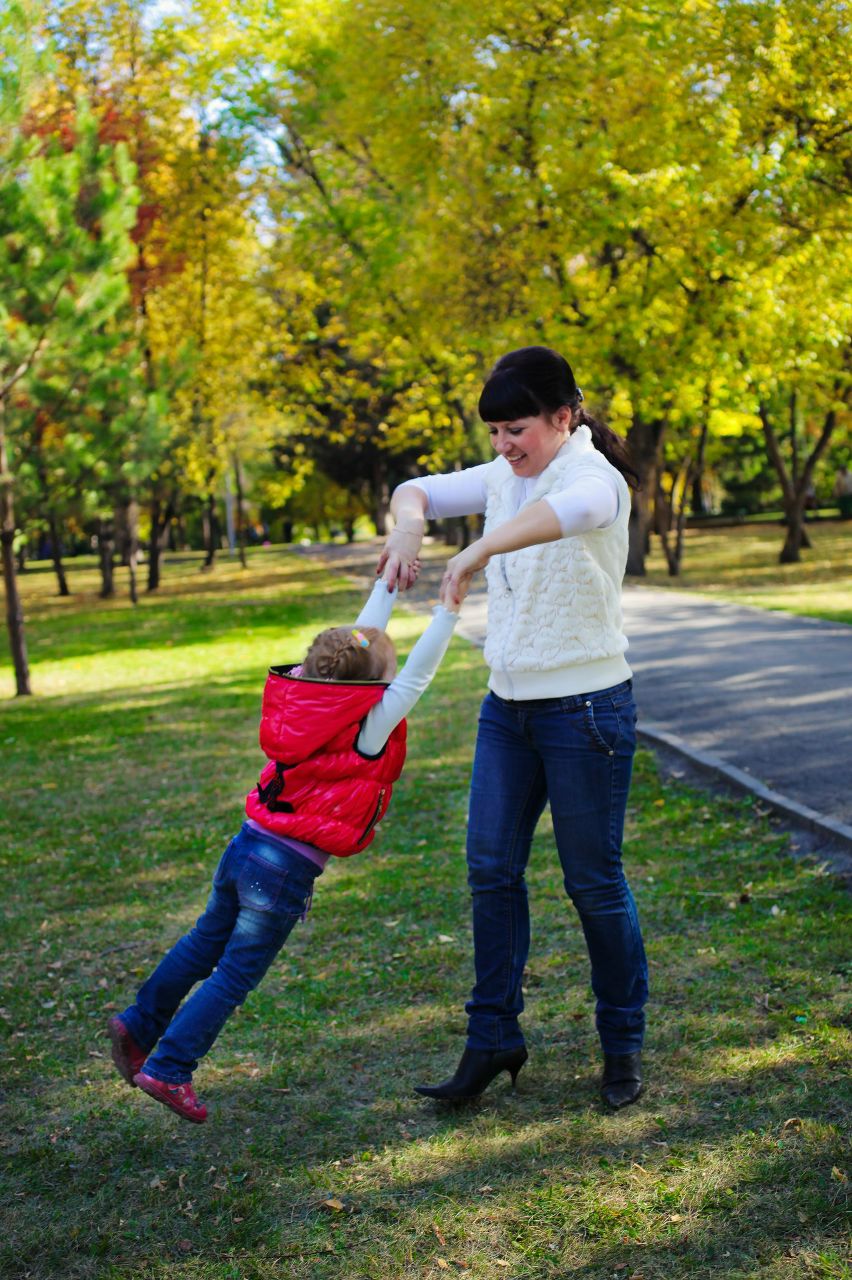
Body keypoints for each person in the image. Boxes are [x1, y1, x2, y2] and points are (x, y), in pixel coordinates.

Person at [378, 346, 648, 1110]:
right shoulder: (504, 474)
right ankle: (493, 1037)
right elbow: (414, 489)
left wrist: (475, 548)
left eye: (518, 428)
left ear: (564, 417)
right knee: (490, 871)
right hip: (507, 709)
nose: (504, 446)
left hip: (587, 710)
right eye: (494, 431)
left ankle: (622, 1044)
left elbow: (570, 516)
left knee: (593, 885)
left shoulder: (592, 479)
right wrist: (407, 531)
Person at [107, 578, 459, 1123]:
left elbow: (359, 645)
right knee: (233, 975)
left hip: (246, 846)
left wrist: (387, 586)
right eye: (383, 681)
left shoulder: (306, 699)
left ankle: (138, 1023)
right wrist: (447, 613)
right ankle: (169, 1066)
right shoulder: (368, 726)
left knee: (204, 943)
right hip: (282, 872)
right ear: (373, 686)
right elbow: (414, 676)